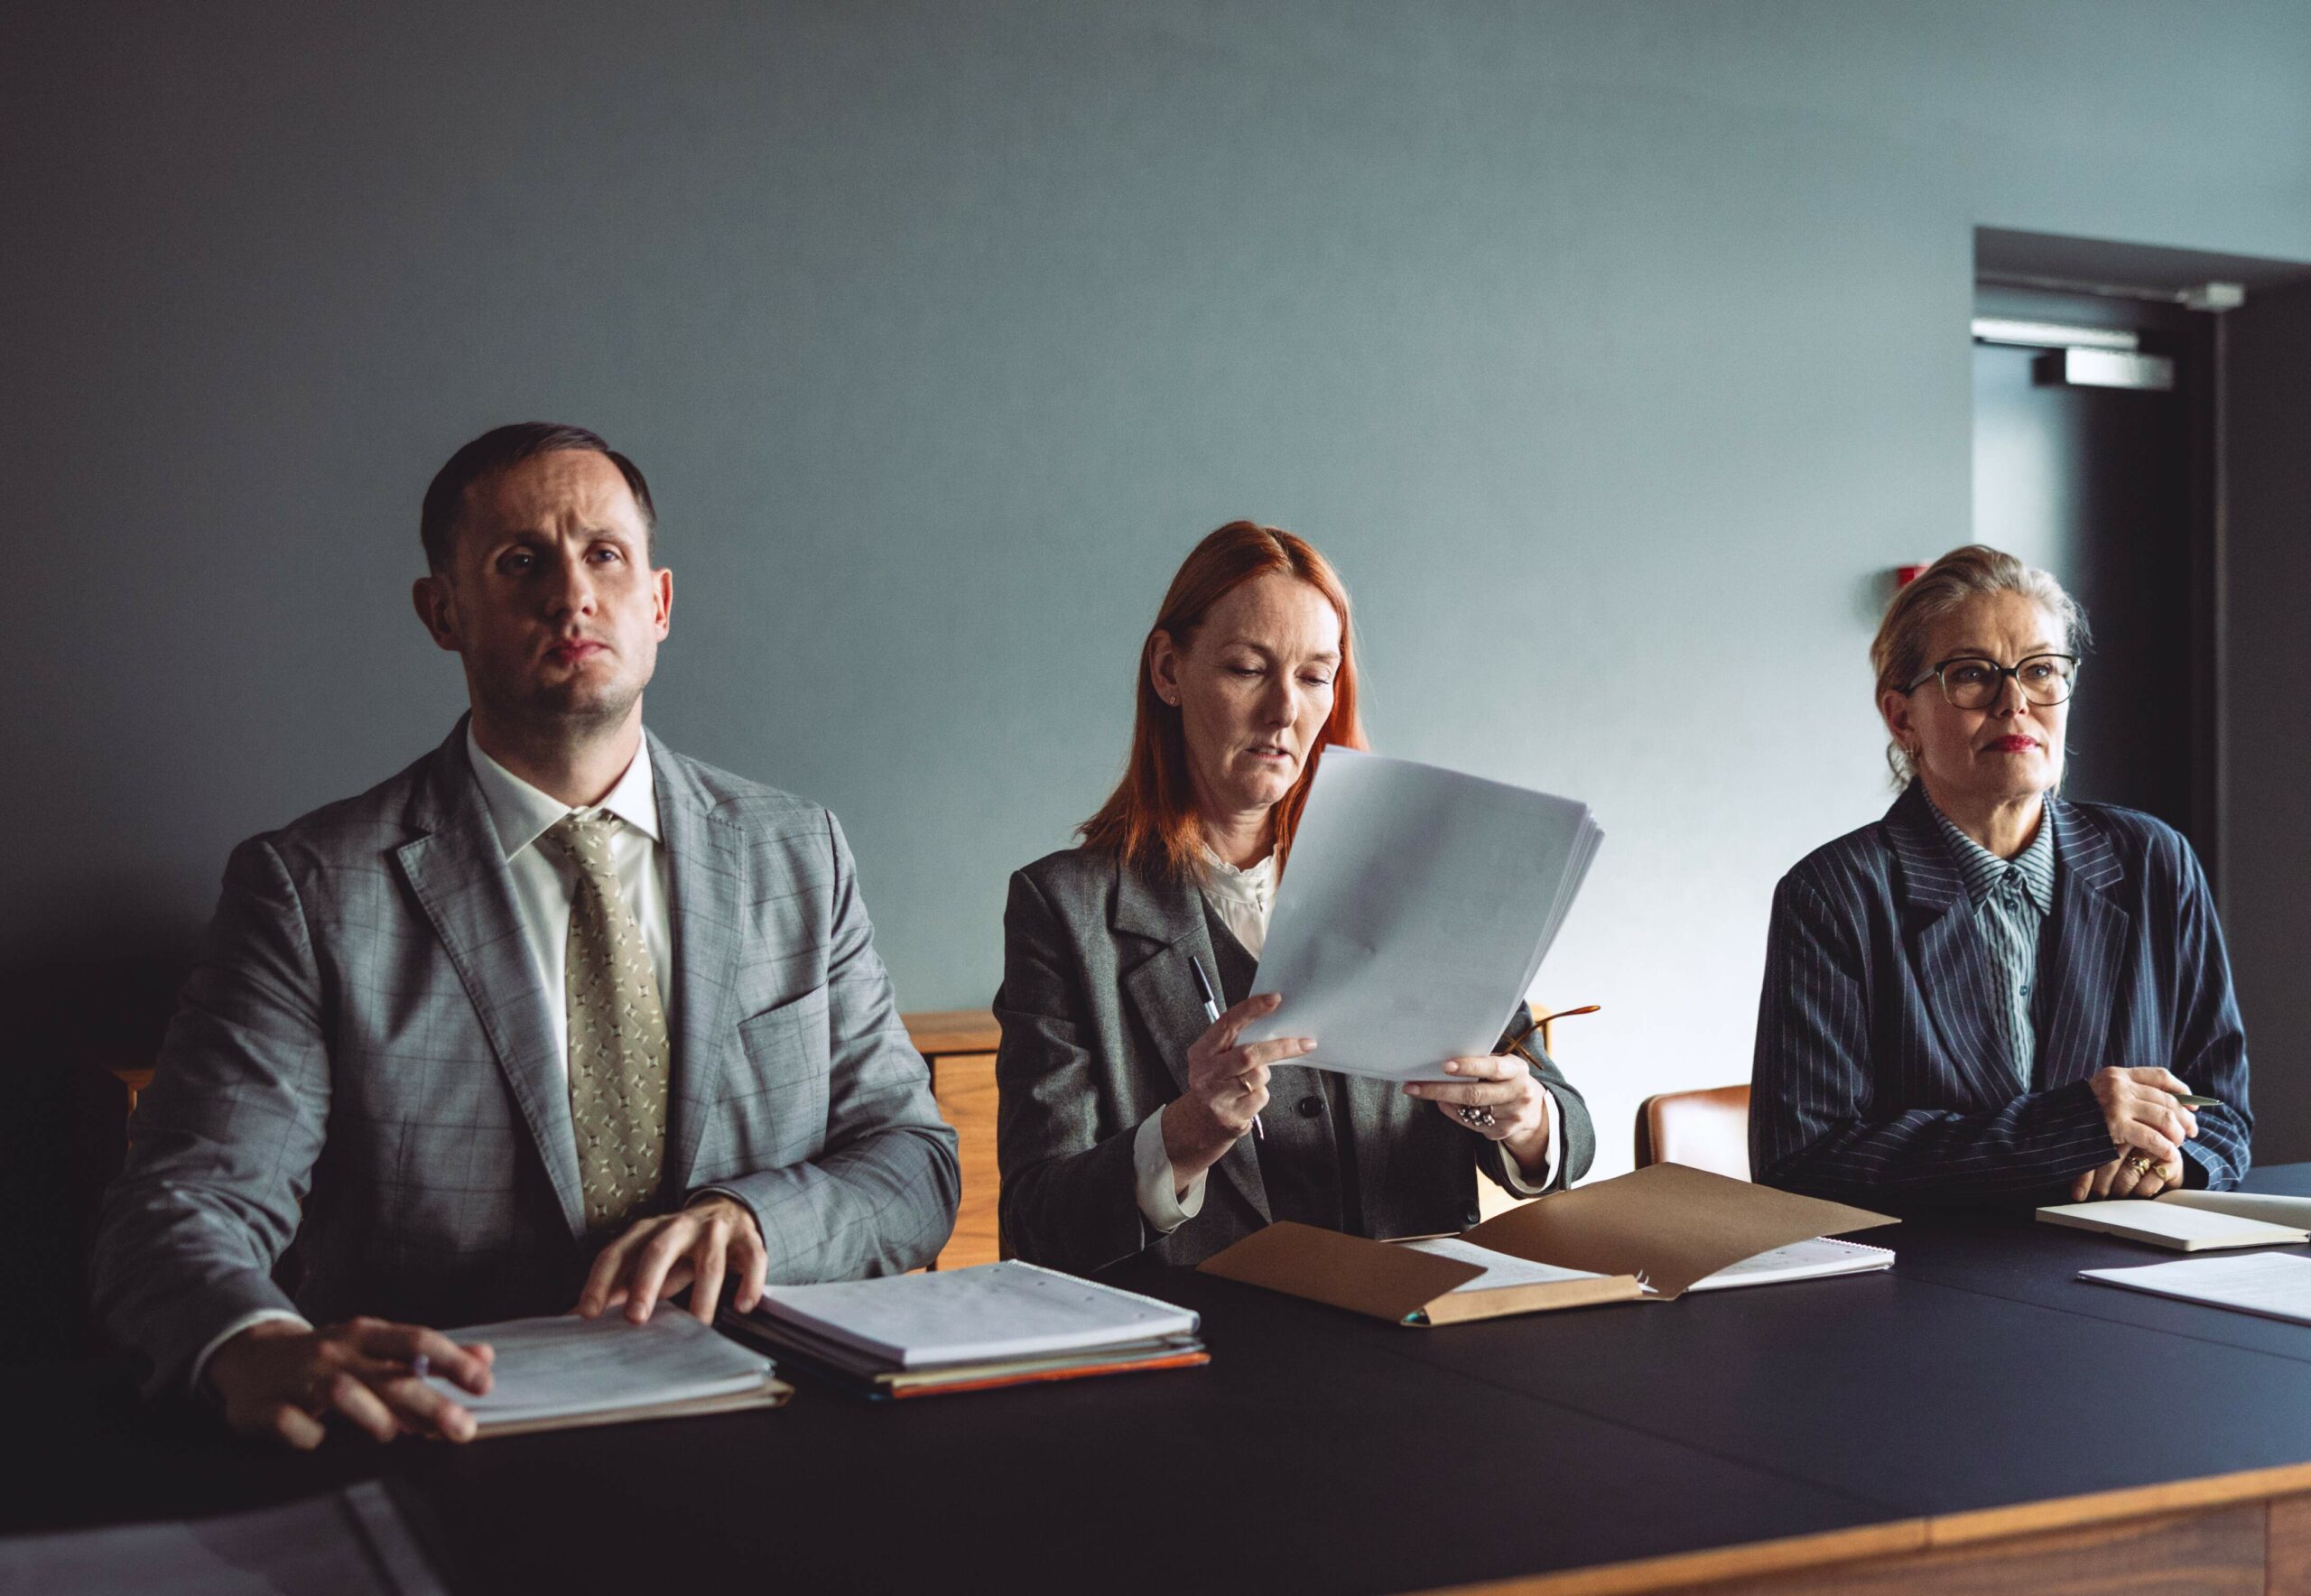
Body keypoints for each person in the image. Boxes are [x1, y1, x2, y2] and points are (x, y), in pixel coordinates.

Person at [91, 422, 958, 1446]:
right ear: (442, 612)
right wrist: (252, 1342)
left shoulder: (798, 852)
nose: (571, 594)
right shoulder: (309, 890)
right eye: (519, 562)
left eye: (605, 555)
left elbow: (913, 1163)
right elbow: (186, 1205)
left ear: (658, 603)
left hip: (774, 1434)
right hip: (455, 1441)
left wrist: (756, 1220)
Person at [995, 521, 1594, 1273]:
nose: (1284, 712)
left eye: (1315, 677)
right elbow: (1038, 1222)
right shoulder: (1063, 909)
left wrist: (1522, 1117)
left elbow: (1570, 1133)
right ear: (1169, 670)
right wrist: (1183, 1135)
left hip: (1412, 1323)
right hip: (1205, 1337)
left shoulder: (1415, 876)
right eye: (1248, 669)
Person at [1749, 544, 2250, 1207]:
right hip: (1938, 1268)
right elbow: (1803, 1163)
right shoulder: (1834, 895)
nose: (2015, 703)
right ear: (1902, 717)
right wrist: (2069, 1131)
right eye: (1972, 675)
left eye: (2041, 670)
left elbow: (2222, 1113)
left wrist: (2169, 1160)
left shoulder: (2156, 861)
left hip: (2135, 1249)